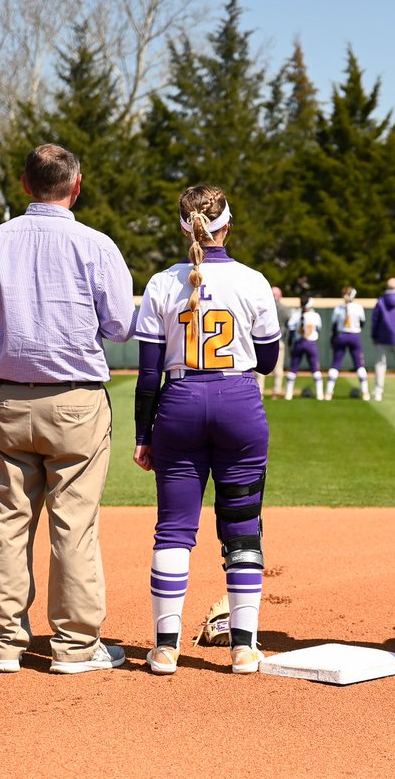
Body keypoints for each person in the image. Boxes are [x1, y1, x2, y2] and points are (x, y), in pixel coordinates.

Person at [0, 143, 136, 674]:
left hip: (8, 394)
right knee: (74, 524)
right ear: (76, 185)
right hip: (75, 400)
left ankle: (4, 645)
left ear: (23, 184)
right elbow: (121, 326)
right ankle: (76, 647)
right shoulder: (96, 244)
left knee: (8, 522)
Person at [132, 185, 281, 675]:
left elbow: (148, 373)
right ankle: (243, 647)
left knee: (173, 531)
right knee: (242, 531)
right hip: (238, 402)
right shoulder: (253, 281)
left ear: (183, 228)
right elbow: (269, 358)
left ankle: (166, 648)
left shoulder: (160, 284)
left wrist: (142, 433)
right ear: (226, 226)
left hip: (178, 404)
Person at [325, 286, 371, 401]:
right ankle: (365, 392)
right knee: (359, 364)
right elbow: (362, 323)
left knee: (335, 364)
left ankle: (328, 393)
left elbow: (334, 326)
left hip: (341, 335)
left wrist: (332, 340)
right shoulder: (358, 307)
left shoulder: (338, 308)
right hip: (354, 336)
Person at [284, 296, 324, 400]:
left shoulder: (296, 315)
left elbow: (291, 331)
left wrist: (290, 346)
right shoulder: (315, 316)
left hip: (299, 343)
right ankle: (320, 395)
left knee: (293, 369)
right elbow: (319, 329)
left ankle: (288, 395)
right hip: (311, 343)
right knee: (315, 369)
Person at [258, 286, 291, 398]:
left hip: (263, 340)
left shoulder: (263, 307)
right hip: (278, 340)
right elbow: (290, 325)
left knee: (259, 368)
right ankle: (275, 392)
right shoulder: (284, 309)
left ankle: (260, 391)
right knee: (278, 368)